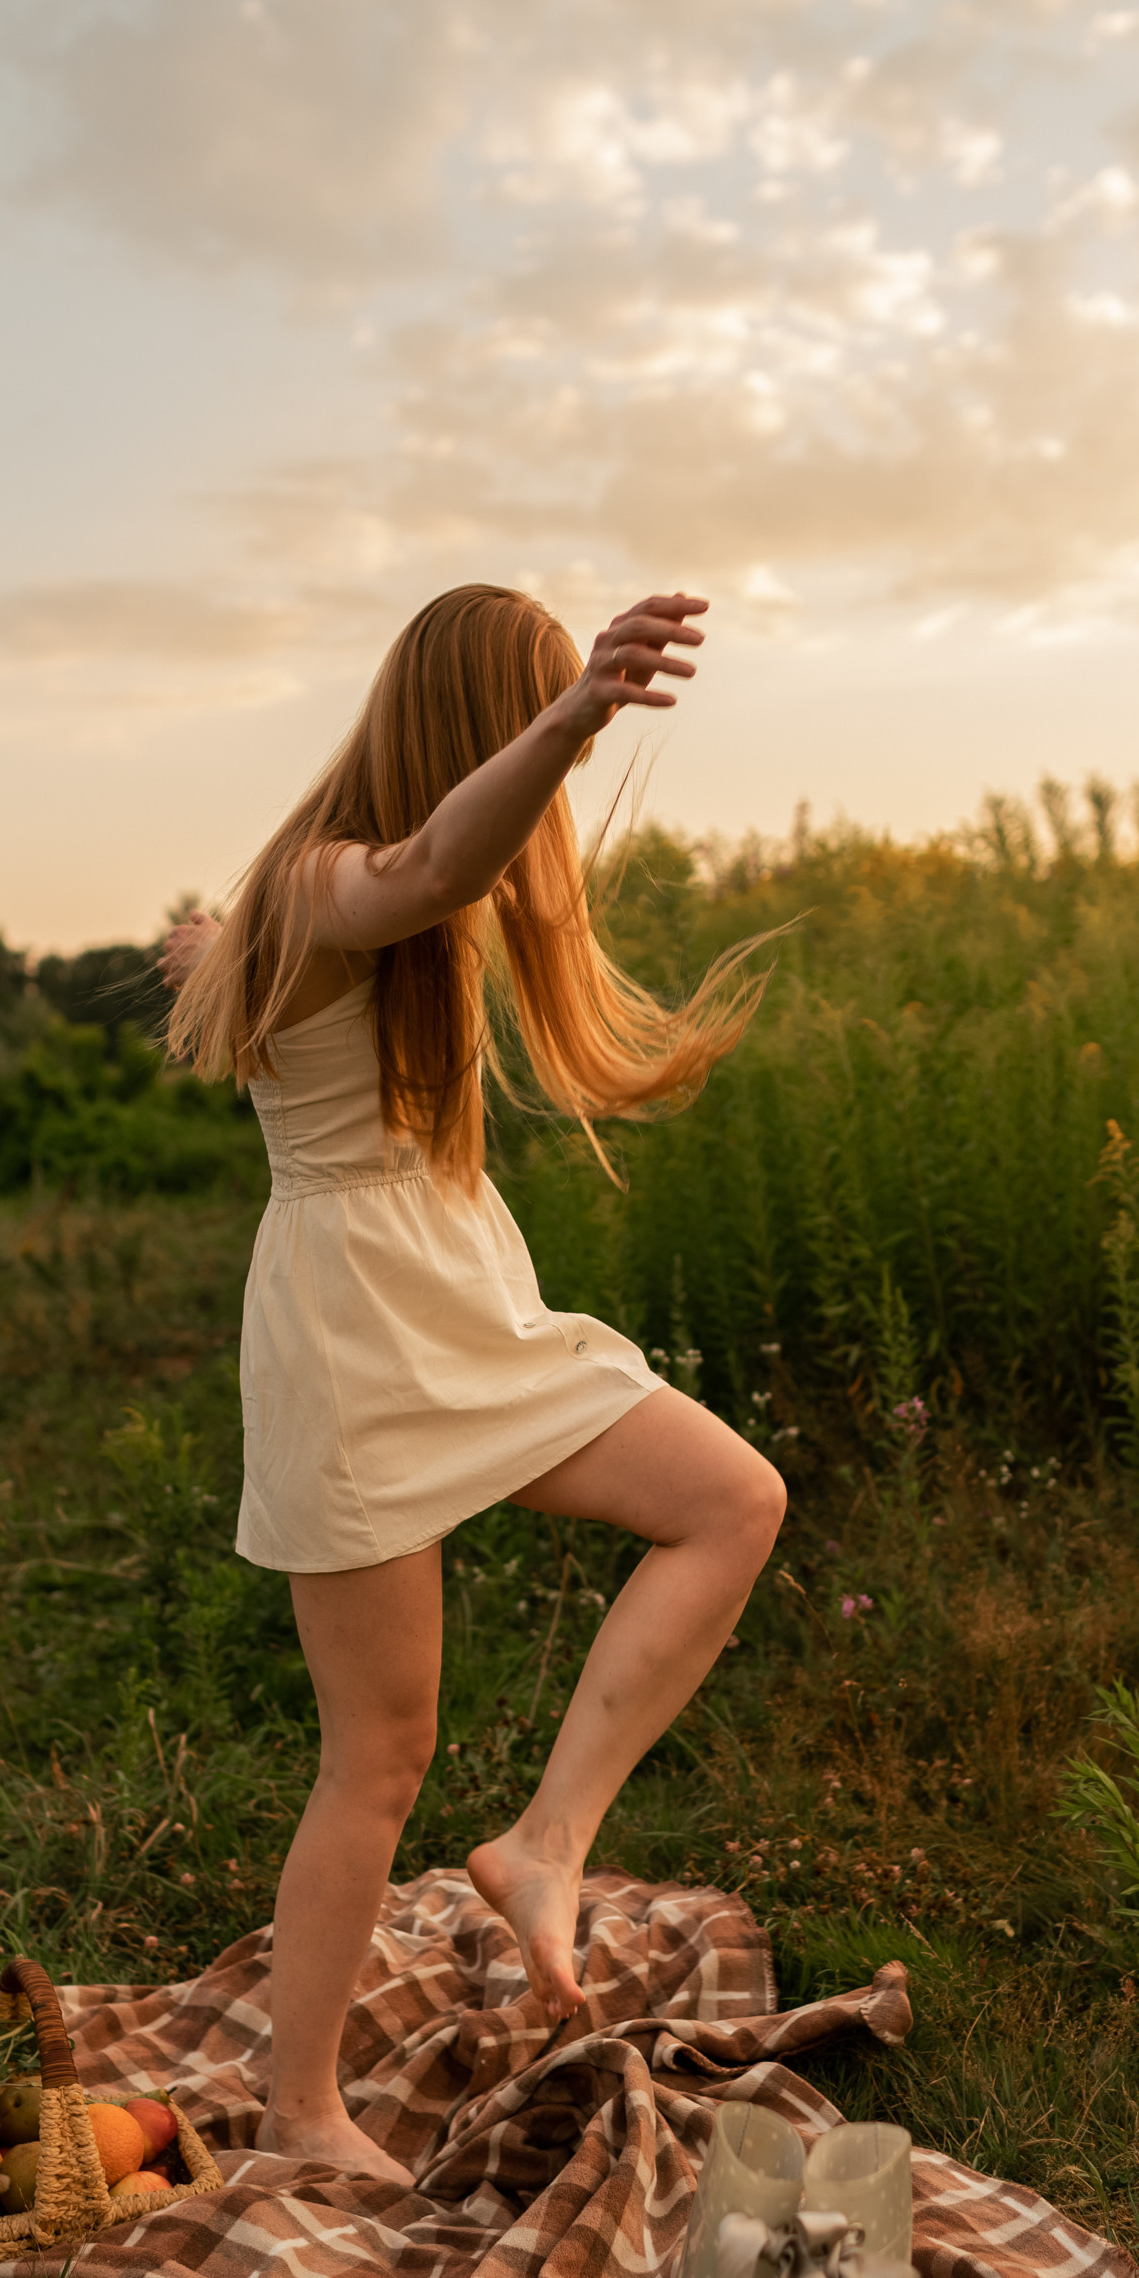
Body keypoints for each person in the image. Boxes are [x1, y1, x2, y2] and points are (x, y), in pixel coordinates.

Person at [164, 584, 787, 2183]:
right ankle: (303, 2119)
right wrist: (578, 715)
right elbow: (433, 860)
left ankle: (546, 1841)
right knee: (377, 1753)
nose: (549, 772)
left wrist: (203, 949)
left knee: (730, 1498)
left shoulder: (359, 903)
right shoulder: (326, 881)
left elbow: (435, 875)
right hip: (353, 1330)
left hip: (457, 1300)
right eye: (522, 725)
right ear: (475, 729)